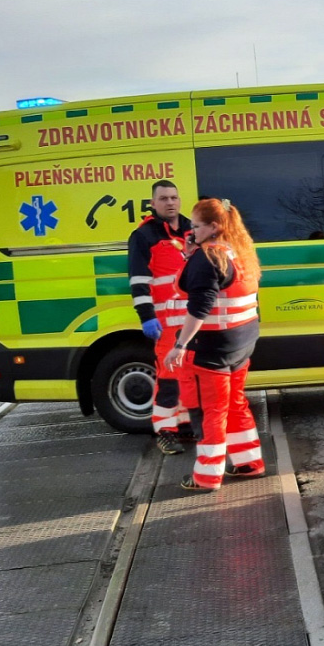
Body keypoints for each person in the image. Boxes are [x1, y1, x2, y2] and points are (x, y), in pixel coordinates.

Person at [163, 198, 265, 491]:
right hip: (241, 344)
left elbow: (200, 306)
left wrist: (180, 345)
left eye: (196, 225)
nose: (191, 231)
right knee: (235, 405)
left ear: (214, 226)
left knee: (210, 413)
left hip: (211, 350)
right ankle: (248, 463)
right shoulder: (239, 252)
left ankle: (206, 477)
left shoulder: (207, 258)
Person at [128, 179, 193, 454]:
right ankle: (165, 431)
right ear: (153, 203)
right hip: (166, 324)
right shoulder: (144, 236)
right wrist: (146, 316)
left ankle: (187, 425)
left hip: (194, 321)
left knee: (192, 374)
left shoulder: (193, 230)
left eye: (174, 197)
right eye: (164, 198)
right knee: (168, 377)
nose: (170, 202)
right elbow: (139, 281)